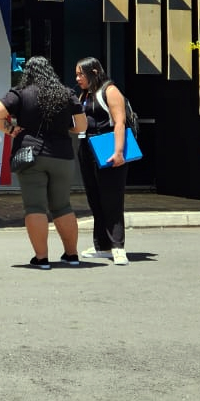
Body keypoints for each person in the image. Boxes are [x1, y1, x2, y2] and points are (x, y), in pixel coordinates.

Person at [0, 56, 86, 269]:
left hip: (32, 156)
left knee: (35, 206)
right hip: (63, 157)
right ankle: (72, 255)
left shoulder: (21, 93)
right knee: (62, 205)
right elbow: (81, 126)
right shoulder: (67, 93)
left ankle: (41, 259)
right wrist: (64, 129)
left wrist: (10, 130)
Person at [75, 57, 131, 266]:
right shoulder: (85, 94)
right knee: (95, 197)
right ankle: (102, 245)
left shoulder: (110, 90)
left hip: (107, 145)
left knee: (112, 198)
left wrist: (118, 151)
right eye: (77, 74)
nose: (78, 78)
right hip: (87, 146)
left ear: (94, 72)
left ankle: (118, 246)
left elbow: (119, 122)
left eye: (81, 74)